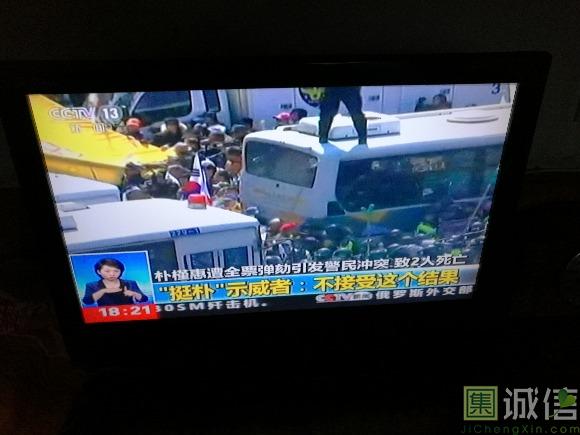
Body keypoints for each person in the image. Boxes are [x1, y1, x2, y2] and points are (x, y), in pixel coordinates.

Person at [82, 258, 148, 307]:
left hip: (129, 314)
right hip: (105, 316)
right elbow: (87, 301)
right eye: (107, 271)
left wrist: (134, 294)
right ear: (99, 272)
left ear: (121, 271)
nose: (112, 274)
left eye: (116, 271)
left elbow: (144, 299)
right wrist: (103, 291)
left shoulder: (131, 283)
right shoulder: (92, 285)